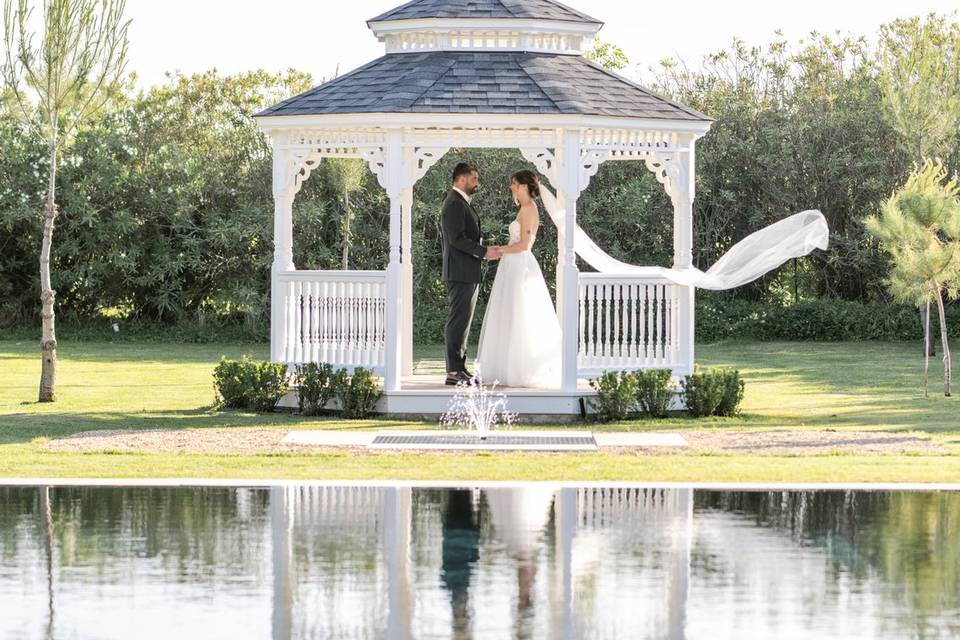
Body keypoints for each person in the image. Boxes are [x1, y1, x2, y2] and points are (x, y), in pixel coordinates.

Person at [475, 170, 561, 389]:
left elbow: (524, 244)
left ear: (523, 186)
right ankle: (505, 366)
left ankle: (521, 369)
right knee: (508, 314)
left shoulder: (530, 209)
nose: (511, 187)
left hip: (519, 265)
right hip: (511, 265)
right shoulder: (523, 209)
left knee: (520, 313)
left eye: (514, 183)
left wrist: (499, 250)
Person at [440, 162, 503, 386]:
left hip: (466, 270)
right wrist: (484, 252)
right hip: (460, 271)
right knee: (458, 320)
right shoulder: (455, 204)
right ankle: (454, 372)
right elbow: (457, 239)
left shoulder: (461, 203)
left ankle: (459, 368)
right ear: (462, 179)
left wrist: (484, 250)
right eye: (474, 179)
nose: (477, 183)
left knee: (463, 321)